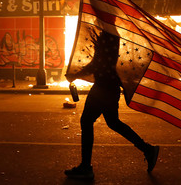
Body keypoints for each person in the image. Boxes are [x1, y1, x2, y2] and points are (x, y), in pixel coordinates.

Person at [64, 30, 159, 180]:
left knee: (87, 121)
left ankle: (86, 168)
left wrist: (75, 75)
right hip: (109, 86)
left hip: (104, 87)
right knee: (113, 122)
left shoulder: (108, 35)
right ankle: (147, 149)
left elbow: (98, 63)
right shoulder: (109, 33)